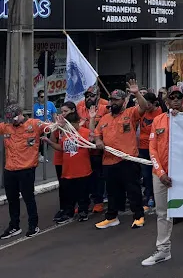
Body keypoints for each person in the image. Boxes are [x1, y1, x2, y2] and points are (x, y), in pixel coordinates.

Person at [142, 85, 183, 267]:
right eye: (172, 97)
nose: (175, 100)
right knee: (162, 213)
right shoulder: (158, 120)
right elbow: (152, 148)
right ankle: (163, 250)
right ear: (166, 101)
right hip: (161, 174)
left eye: (179, 97)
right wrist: (160, 172)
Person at [93, 88, 147, 229]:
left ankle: (139, 216)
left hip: (128, 160)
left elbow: (144, 107)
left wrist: (136, 93)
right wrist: (98, 140)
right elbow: (97, 133)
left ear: (124, 101)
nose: (113, 102)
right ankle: (112, 217)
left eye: (116, 99)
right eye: (111, 99)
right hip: (109, 161)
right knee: (112, 191)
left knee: (133, 190)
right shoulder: (104, 118)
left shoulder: (130, 113)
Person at [0, 102, 46, 239]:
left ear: (20, 114)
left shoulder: (35, 124)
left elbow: (53, 127)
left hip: (26, 169)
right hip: (10, 169)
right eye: (9, 119)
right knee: (12, 199)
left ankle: (33, 225)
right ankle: (14, 226)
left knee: (28, 198)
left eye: (13, 118)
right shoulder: (6, 126)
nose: (11, 121)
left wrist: (59, 123)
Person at [42, 102, 92, 224]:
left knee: (83, 194)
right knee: (68, 194)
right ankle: (68, 212)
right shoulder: (65, 133)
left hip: (83, 171)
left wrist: (92, 119)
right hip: (68, 171)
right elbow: (61, 147)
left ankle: (83, 211)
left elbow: (93, 139)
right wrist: (49, 141)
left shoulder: (85, 132)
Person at [77, 85, 108, 214]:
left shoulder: (105, 107)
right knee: (84, 177)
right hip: (84, 148)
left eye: (92, 96)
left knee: (98, 176)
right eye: (87, 96)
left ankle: (98, 201)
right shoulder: (79, 107)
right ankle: (84, 202)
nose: (89, 98)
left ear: (98, 96)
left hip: (98, 148)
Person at [138, 91, 163, 210]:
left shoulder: (159, 112)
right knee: (146, 175)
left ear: (154, 104)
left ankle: (156, 196)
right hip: (142, 147)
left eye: (148, 104)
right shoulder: (142, 112)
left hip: (155, 147)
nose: (146, 107)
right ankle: (148, 196)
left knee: (156, 173)